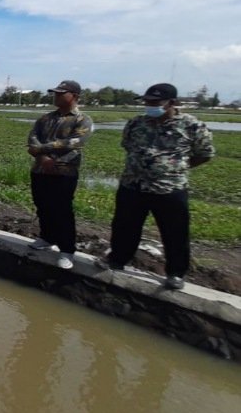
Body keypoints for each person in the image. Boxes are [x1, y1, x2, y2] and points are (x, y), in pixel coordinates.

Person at [101, 83, 215, 290]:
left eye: (155, 102)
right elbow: (127, 146)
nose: (149, 105)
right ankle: (117, 259)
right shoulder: (136, 123)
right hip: (132, 185)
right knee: (124, 226)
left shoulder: (191, 125)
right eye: (147, 102)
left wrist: (173, 168)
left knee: (175, 232)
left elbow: (204, 153)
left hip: (169, 188)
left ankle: (176, 273)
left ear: (172, 103)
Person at [26, 80, 94, 269]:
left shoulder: (82, 120)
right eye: (55, 93)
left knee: (62, 210)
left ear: (74, 96)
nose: (56, 96)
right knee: (42, 205)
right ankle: (47, 237)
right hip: (40, 170)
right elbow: (32, 138)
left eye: (60, 93)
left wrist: (44, 151)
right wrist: (43, 157)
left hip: (63, 172)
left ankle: (66, 250)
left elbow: (75, 142)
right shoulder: (45, 119)